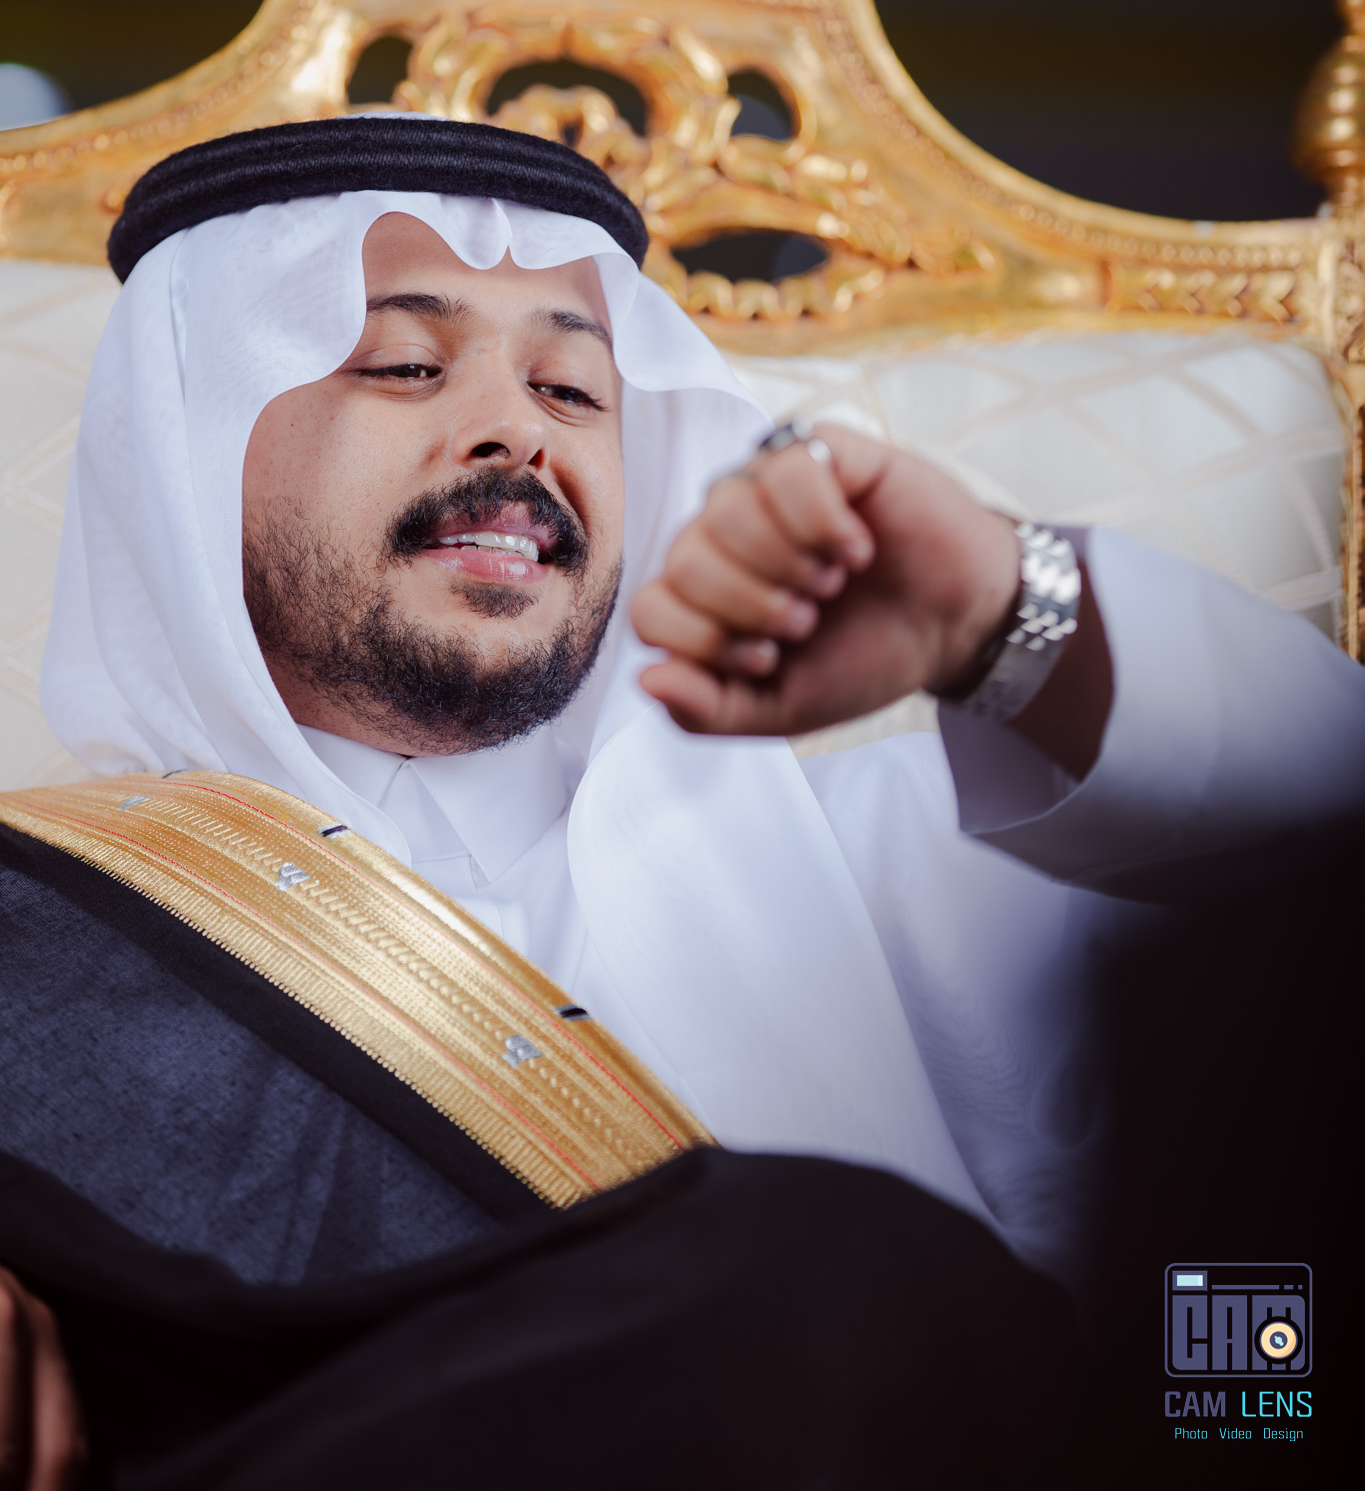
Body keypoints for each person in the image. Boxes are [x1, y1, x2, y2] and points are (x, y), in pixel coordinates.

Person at [2, 115, 1362, 1489]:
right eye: (406, 364)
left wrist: (1001, 620)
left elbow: (1318, 876)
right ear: (187, 450)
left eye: (573, 390)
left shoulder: (890, 856)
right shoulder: (38, 922)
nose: (516, 430)